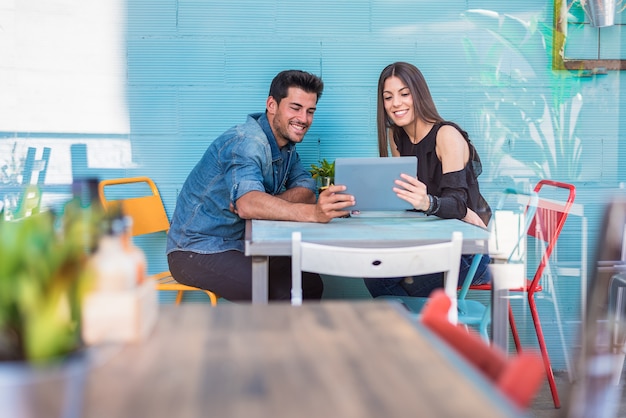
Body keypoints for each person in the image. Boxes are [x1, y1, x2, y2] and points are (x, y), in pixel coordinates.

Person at [166, 70, 355, 301]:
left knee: (309, 283)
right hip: (196, 249)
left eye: (310, 111)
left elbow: (306, 188)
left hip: (245, 243)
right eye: (295, 108)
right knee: (264, 289)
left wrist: (264, 203)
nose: (304, 119)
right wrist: (312, 213)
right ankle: (265, 338)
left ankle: (299, 337)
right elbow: (247, 205)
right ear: (271, 104)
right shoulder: (247, 143)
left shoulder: (284, 145)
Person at [364, 61, 492, 298]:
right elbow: (406, 197)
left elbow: (456, 204)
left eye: (404, 94)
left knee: (403, 284)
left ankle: (411, 331)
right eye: (388, 97)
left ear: (419, 95)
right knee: (375, 274)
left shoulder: (446, 135)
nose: (396, 104)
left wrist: (428, 203)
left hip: (469, 252)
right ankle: (411, 330)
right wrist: (369, 203)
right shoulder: (396, 134)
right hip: (432, 243)